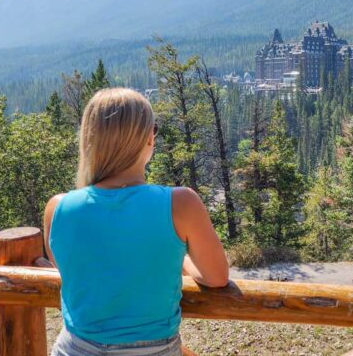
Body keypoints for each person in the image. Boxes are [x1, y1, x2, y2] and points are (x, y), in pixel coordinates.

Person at [45, 88, 229, 356]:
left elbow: (74, 270)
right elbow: (217, 278)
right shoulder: (181, 203)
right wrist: (181, 259)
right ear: (148, 138)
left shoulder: (58, 208)